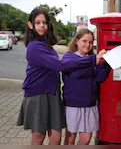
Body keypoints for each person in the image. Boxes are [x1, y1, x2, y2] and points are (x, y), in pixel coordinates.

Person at [17, 8, 104, 145]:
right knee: (39, 136)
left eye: (45, 22)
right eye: (38, 22)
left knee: (56, 136)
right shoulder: (34, 47)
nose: (42, 25)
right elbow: (60, 65)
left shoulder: (46, 45)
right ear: (30, 25)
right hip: (38, 93)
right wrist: (93, 59)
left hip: (53, 93)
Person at [62, 29, 110, 145]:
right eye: (84, 41)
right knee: (70, 138)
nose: (88, 45)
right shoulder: (69, 57)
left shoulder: (93, 58)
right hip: (73, 105)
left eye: (90, 42)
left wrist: (107, 63)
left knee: (86, 139)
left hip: (89, 104)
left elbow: (99, 78)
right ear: (77, 41)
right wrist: (94, 61)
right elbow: (76, 73)